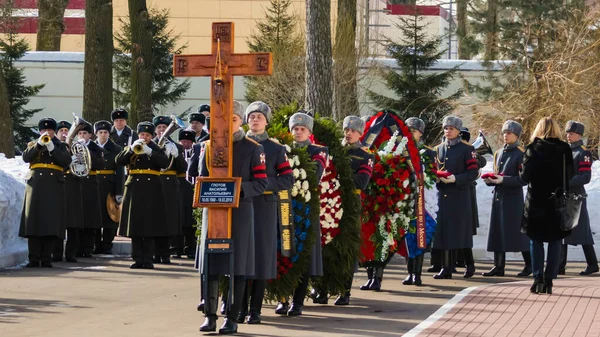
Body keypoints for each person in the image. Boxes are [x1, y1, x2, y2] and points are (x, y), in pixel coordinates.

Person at [198, 101, 268, 334]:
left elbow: (261, 183)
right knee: (211, 264)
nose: (228, 124)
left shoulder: (252, 148)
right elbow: (199, 179)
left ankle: (232, 317)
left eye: (234, 119)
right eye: (224, 119)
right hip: (213, 210)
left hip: (240, 212)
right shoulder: (207, 146)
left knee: (238, 265)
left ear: (240, 121)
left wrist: (237, 190)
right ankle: (210, 315)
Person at [234, 102, 294, 324]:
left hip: (264, 207)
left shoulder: (276, 149)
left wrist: (259, 184)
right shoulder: (238, 144)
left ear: (267, 121)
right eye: (251, 116)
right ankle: (238, 309)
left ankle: (255, 310)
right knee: (240, 257)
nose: (255, 120)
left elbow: (288, 179)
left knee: (259, 258)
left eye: (259, 116)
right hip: (240, 204)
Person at [275, 110, 329, 316]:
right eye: (295, 129)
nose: (298, 132)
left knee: (303, 254)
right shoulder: (282, 149)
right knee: (282, 251)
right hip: (283, 204)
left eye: (302, 129)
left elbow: (314, 174)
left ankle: (298, 301)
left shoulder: (319, 151)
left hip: (306, 206)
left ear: (309, 132)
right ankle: (282, 298)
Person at [521, 117, 574, 294]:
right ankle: (549, 280)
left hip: (536, 201)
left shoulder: (533, 148)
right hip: (557, 201)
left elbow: (524, 177)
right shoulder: (564, 149)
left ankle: (538, 279)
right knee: (555, 241)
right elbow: (570, 174)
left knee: (535, 241)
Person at [331, 115, 373, 305]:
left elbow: (361, 182)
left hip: (350, 204)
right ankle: (324, 288)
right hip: (331, 202)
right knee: (329, 245)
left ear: (360, 133)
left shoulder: (365, 155)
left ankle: (344, 291)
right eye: (347, 130)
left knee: (347, 247)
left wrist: (339, 179)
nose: (349, 133)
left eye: (353, 131)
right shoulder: (334, 150)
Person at [116, 122, 170, 269]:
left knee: (149, 225)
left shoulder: (156, 148)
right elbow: (119, 161)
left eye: (146, 135)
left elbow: (165, 163)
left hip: (152, 189)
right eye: (141, 134)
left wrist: (150, 152)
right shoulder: (132, 147)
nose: (143, 137)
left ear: (151, 136)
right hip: (134, 188)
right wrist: (130, 150)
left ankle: (148, 258)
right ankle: (137, 258)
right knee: (135, 225)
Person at [20, 117, 71, 268]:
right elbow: (26, 157)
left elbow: (65, 161)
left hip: (54, 185)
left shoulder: (61, 146)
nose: (46, 132)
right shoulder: (33, 144)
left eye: (49, 130)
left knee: (50, 222)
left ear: (54, 132)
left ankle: (47, 257)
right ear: (40, 131)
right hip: (36, 186)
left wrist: (52, 148)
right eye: (44, 130)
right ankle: (33, 258)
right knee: (34, 222)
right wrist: (39, 145)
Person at [483, 120, 531, 277]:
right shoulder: (499, 153)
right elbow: (498, 173)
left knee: (518, 234)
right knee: (497, 231)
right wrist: (490, 180)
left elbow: (523, 179)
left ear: (516, 135)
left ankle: (529, 264)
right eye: (504, 132)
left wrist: (504, 180)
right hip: (499, 197)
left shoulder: (521, 153)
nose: (505, 135)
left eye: (509, 133)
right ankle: (498, 265)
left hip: (513, 199)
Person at [433, 116, 478, 279]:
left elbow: (473, 173)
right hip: (443, 196)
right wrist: (436, 178)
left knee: (461, 232)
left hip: (460, 195)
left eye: (451, 128)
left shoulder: (467, 149)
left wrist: (456, 179)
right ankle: (446, 267)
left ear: (458, 131)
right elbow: (436, 168)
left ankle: (470, 264)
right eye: (446, 128)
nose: (448, 131)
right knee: (444, 231)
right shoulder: (438, 149)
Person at [401, 117, 437, 287]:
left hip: (422, 199)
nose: (409, 133)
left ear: (420, 133)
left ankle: (418, 273)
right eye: (407, 130)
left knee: (420, 235)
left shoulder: (428, 153)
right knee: (408, 236)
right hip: (406, 198)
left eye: (413, 131)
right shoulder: (401, 151)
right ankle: (409, 272)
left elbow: (433, 174)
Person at [560, 121, 598, 276]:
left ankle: (592, 264)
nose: (569, 136)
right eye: (568, 133)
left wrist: (565, 183)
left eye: (572, 133)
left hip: (576, 196)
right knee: (561, 231)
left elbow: (585, 177)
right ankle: (560, 265)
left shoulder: (583, 153)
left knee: (582, 232)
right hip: (563, 195)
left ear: (580, 135)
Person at [152, 115, 186, 264]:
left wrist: (177, 156)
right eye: (159, 128)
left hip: (170, 186)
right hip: (154, 183)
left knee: (168, 221)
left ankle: (166, 253)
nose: (161, 130)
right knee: (154, 221)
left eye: (164, 128)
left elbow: (183, 169)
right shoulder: (149, 145)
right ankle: (153, 252)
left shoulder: (177, 146)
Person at [94, 120, 124, 255]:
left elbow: (119, 172)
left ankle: (107, 244)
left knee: (110, 216)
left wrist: (119, 191)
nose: (103, 135)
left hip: (109, 184)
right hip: (94, 183)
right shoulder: (91, 147)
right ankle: (96, 243)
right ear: (96, 134)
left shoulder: (116, 149)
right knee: (94, 216)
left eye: (105, 132)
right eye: (100, 132)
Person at [76, 123, 104, 257]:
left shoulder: (95, 148)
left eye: (85, 133)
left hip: (91, 184)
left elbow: (100, 164)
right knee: (78, 217)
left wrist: (86, 153)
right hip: (77, 183)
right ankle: (77, 247)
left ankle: (88, 248)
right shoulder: (73, 147)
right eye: (80, 134)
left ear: (90, 135)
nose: (82, 136)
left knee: (90, 218)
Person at [52, 120, 74, 262]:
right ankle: (56, 253)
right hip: (56, 185)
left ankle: (71, 253)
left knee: (72, 222)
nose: (65, 133)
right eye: (62, 131)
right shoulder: (54, 146)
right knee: (56, 221)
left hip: (72, 187)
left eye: (67, 131)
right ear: (57, 133)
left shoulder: (73, 147)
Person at [173, 129, 197, 259]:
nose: (185, 144)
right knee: (179, 218)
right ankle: (177, 247)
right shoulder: (176, 151)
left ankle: (191, 247)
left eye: (188, 141)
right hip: (179, 187)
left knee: (191, 219)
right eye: (183, 141)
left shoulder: (197, 151)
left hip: (193, 187)